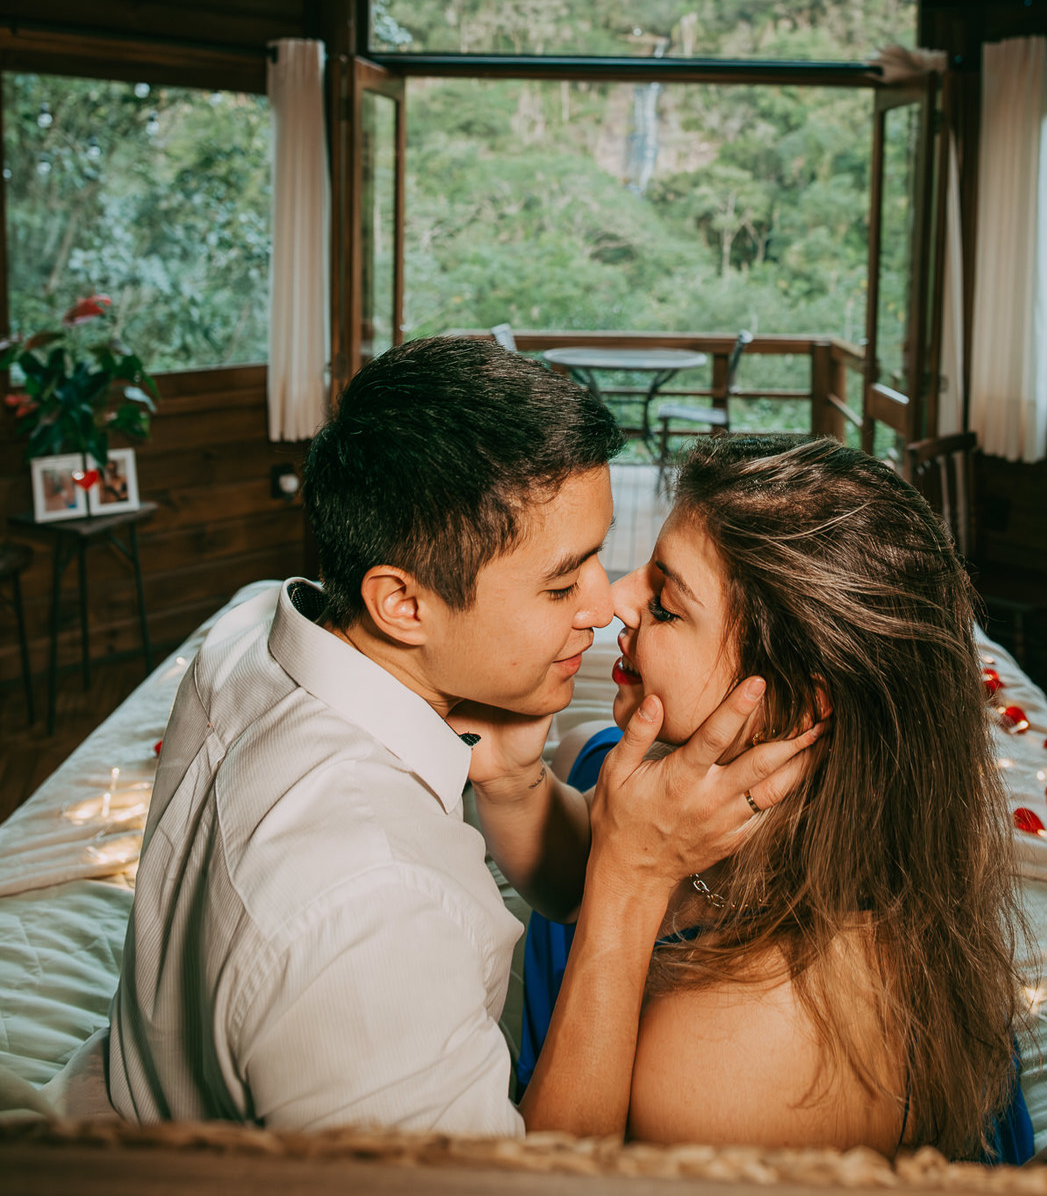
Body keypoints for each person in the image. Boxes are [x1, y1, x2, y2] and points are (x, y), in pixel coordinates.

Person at [107, 339, 811, 1133]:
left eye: (600, 555)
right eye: (559, 582)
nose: (604, 602)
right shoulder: (367, 913)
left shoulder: (251, 625)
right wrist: (632, 884)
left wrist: (514, 784)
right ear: (403, 606)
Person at [480, 435, 1034, 1161]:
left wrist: (628, 883)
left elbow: (541, 1185)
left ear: (801, 708)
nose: (615, 599)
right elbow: (575, 878)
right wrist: (513, 780)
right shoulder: (735, 806)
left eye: (668, 603)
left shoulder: (733, 1061)